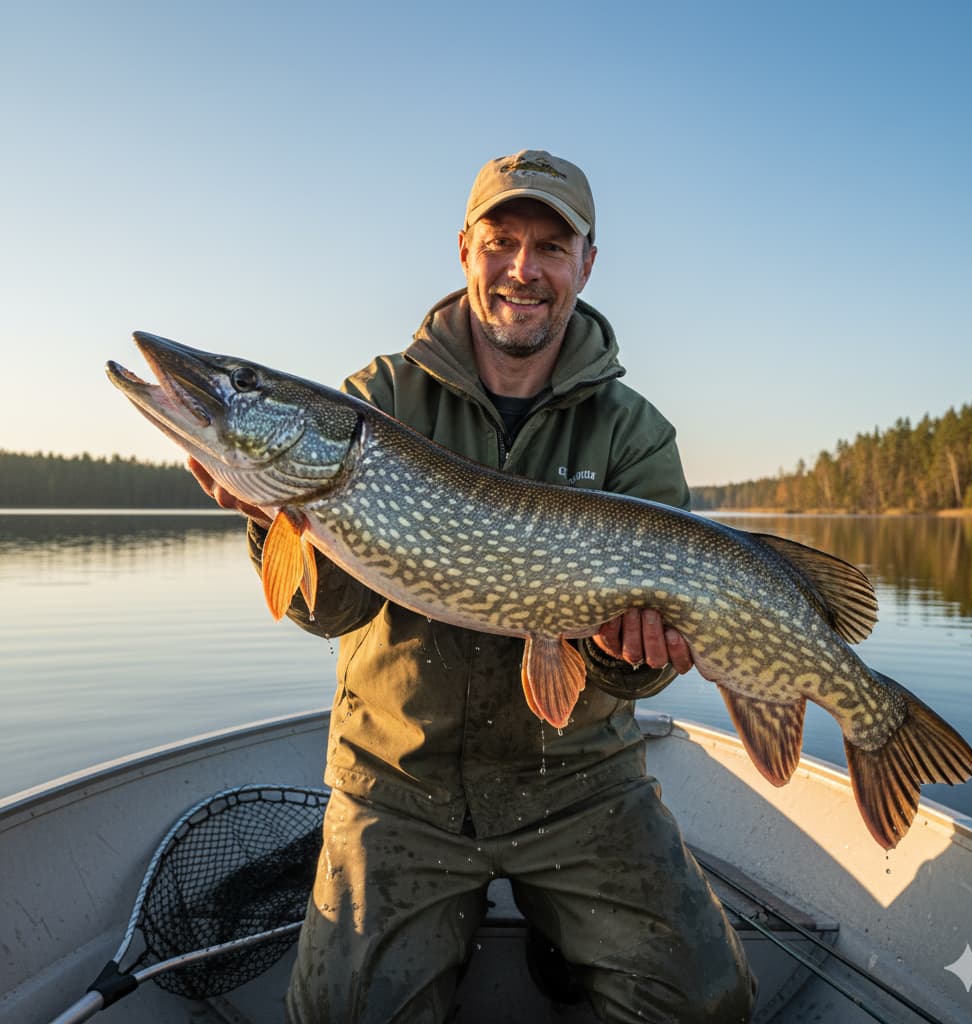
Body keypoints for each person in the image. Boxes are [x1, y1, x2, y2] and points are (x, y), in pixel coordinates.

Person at [194, 150, 754, 1023]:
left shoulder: (634, 433)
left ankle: (564, 928)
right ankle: (539, 934)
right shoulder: (378, 401)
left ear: (587, 265)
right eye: (502, 240)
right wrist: (272, 520)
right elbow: (331, 610)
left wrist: (636, 660)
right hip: (398, 781)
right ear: (465, 250)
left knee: (705, 1003)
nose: (523, 269)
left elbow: (637, 669)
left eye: (551, 247)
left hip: (578, 783)